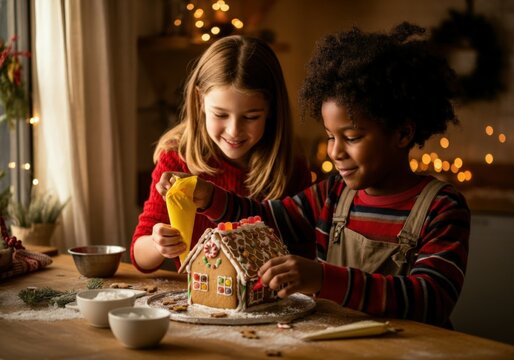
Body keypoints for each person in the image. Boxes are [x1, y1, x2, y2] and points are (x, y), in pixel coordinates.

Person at [157, 23, 470, 328]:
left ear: (402, 134)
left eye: (352, 137)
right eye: (331, 136)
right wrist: (211, 197)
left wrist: (323, 278)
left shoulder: (442, 208)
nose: (335, 152)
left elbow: (431, 298)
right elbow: (268, 218)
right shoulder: (332, 193)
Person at [132, 35, 311, 273]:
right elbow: (139, 255)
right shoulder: (177, 156)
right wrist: (158, 244)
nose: (234, 131)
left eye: (251, 117)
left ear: (271, 110)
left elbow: (305, 253)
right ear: (200, 101)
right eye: (220, 114)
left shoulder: (290, 166)